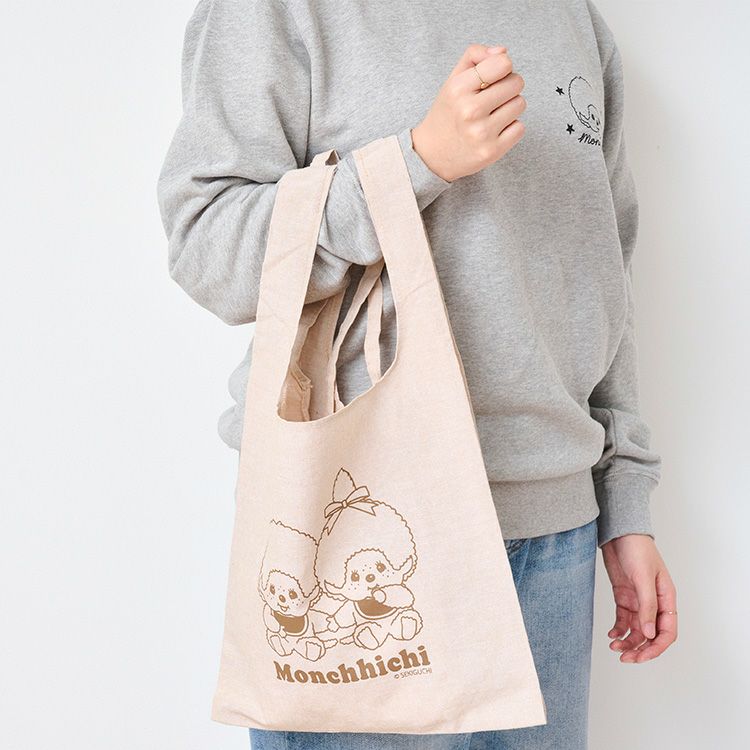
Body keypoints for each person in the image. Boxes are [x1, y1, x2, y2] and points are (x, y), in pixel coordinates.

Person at [157, 0, 678, 747]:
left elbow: (606, 267)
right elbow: (208, 249)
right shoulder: (275, 12)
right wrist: (415, 164)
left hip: (556, 541)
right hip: (356, 541)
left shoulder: (570, 15)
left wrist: (624, 496)